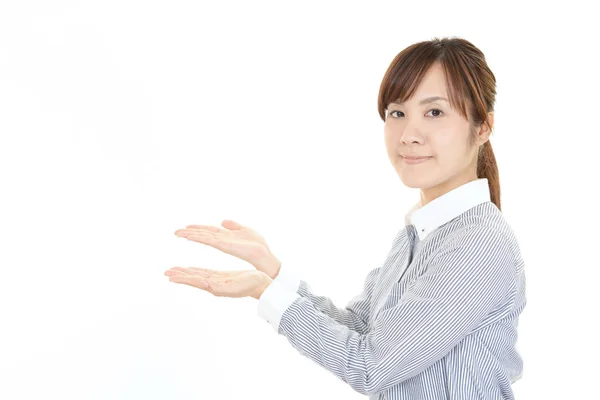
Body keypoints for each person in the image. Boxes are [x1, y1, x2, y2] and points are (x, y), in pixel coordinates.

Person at [165, 36, 527, 400]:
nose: (409, 135)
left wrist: (264, 291)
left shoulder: (479, 243)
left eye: (434, 112)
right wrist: (272, 271)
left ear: (482, 127)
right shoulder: (417, 236)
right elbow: (360, 331)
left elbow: (370, 366)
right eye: (397, 113)